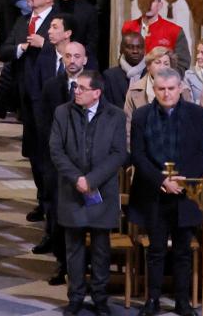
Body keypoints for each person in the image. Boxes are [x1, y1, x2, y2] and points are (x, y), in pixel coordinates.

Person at [49, 69, 127, 316]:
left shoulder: (115, 115)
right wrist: (77, 179)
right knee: (74, 248)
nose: (76, 91)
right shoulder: (63, 112)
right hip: (72, 190)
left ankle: (100, 297)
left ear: (97, 92)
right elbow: (56, 150)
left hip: (102, 190)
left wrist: (91, 180)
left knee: (101, 247)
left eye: (81, 88)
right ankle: (76, 296)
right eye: (75, 87)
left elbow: (118, 153)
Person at [129, 66, 203, 316]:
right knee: (156, 250)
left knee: (183, 251)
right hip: (154, 193)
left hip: (187, 193)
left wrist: (183, 180)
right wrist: (162, 180)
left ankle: (183, 302)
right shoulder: (141, 116)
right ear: (155, 89)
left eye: (171, 89)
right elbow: (138, 155)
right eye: (161, 89)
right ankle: (153, 300)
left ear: (180, 88)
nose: (166, 94)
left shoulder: (198, 115)